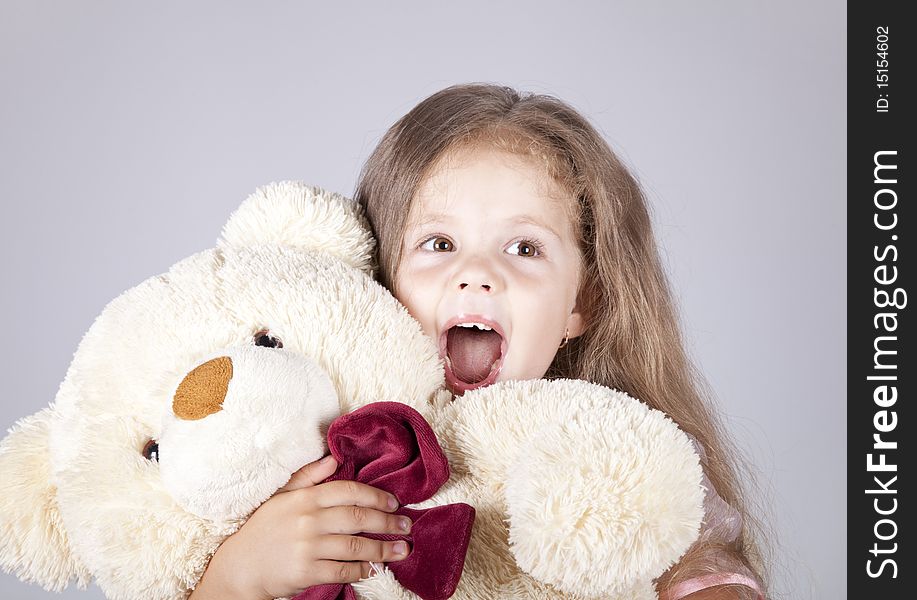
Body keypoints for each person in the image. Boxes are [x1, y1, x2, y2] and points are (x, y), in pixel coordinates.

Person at [191, 84, 768, 600]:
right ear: (378, 275)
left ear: (579, 304)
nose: (476, 273)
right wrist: (238, 575)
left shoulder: (618, 445)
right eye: (439, 243)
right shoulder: (305, 448)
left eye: (524, 248)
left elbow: (708, 570)